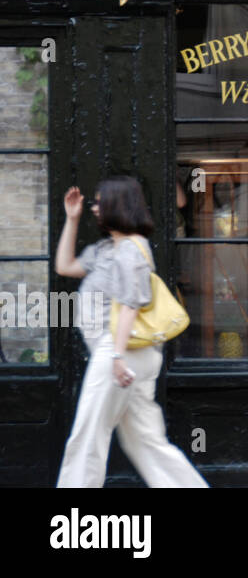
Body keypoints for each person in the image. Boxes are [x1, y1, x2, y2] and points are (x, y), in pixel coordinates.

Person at [54, 177, 208, 488]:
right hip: (130, 355)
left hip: (118, 353)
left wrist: (116, 356)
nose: (94, 208)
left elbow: (130, 305)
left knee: (88, 434)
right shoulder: (105, 249)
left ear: (118, 205)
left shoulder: (130, 250)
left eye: (100, 202)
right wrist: (71, 219)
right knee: (146, 442)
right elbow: (65, 266)